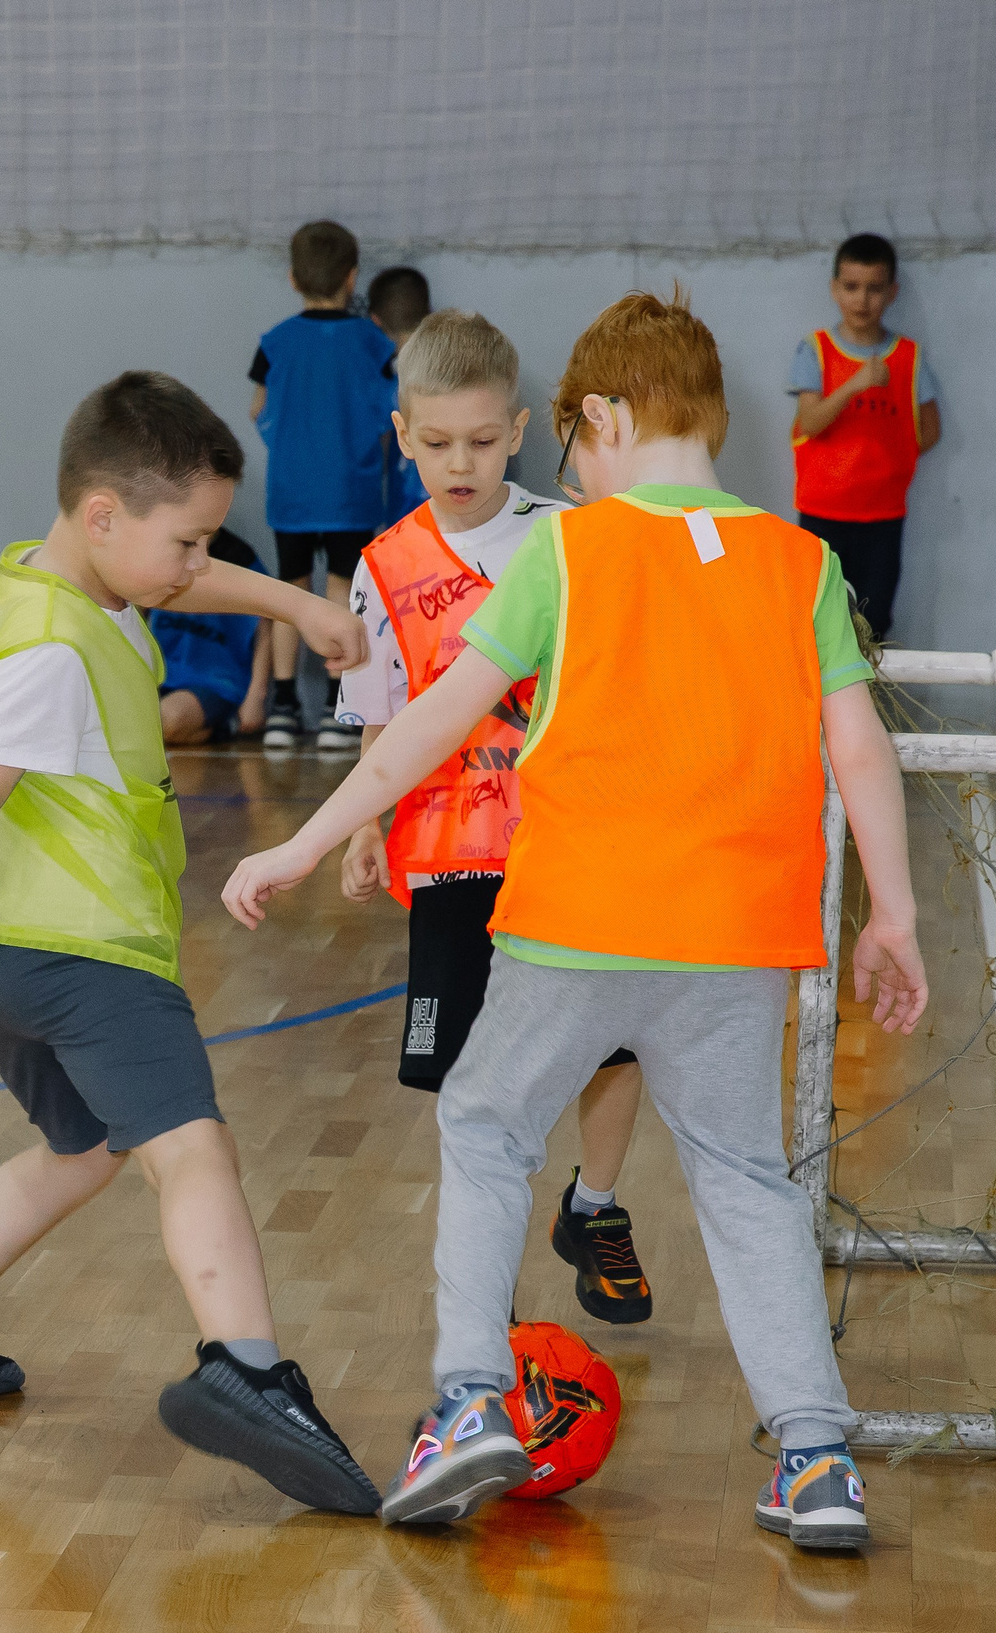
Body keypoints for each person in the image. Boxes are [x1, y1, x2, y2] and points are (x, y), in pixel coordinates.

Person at [223, 288, 929, 1541]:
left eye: (567, 443)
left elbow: (429, 730)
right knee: (745, 1182)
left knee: (489, 1126)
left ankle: (472, 1402)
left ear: (597, 415)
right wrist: (895, 918)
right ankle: (816, 1459)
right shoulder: (801, 560)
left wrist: (307, 836)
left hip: (576, 925)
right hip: (738, 939)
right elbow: (861, 751)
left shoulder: (564, 551)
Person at [0, 371, 382, 1515]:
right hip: (76, 953)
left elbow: (180, 573)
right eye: (183, 543)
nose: (192, 567)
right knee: (194, 1151)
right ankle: (247, 1368)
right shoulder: (50, 653)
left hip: (5, 954)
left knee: (83, 1148)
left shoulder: (74, 582)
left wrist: (299, 608)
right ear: (102, 517)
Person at [334, 309, 656, 1327]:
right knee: (473, 1092)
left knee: (612, 1043)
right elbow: (381, 715)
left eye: (480, 440)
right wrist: (354, 826)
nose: (458, 462)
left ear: (517, 430)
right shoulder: (383, 566)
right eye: (435, 444)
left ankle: (593, 1207)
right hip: (448, 860)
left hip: (570, 848)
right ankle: (495, 1310)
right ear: (401, 436)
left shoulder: (568, 539)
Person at [250, 220, 399, 752]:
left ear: (293, 278)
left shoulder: (274, 342)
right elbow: (391, 414)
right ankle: (342, 708)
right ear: (352, 276)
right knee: (342, 593)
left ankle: (283, 709)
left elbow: (259, 409)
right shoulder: (374, 344)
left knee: (291, 595)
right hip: (351, 491)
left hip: (290, 491)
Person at [787, 232, 940, 642]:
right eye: (852, 287)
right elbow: (812, 423)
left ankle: (868, 704)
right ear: (835, 289)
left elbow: (929, 430)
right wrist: (855, 385)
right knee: (819, 618)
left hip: (882, 516)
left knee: (872, 624)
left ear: (892, 292)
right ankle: (820, 707)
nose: (862, 300)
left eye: (875, 288)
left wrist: (886, 464)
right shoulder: (815, 350)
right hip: (823, 512)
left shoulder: (909, 356)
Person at [150, 528, 274, 745]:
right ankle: (204, 731)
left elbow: (265, 630)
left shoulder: (240, 557)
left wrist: (256, 695)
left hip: (215, 682)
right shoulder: (159, 548)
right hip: (160, 675)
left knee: (165, 721)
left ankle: (218, 727)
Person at [365, 265, 434, 522]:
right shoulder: (457, 365)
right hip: (463, 500)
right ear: (428, 311)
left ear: (376, 319)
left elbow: (382, 451)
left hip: (408, 503)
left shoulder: (391, 383)